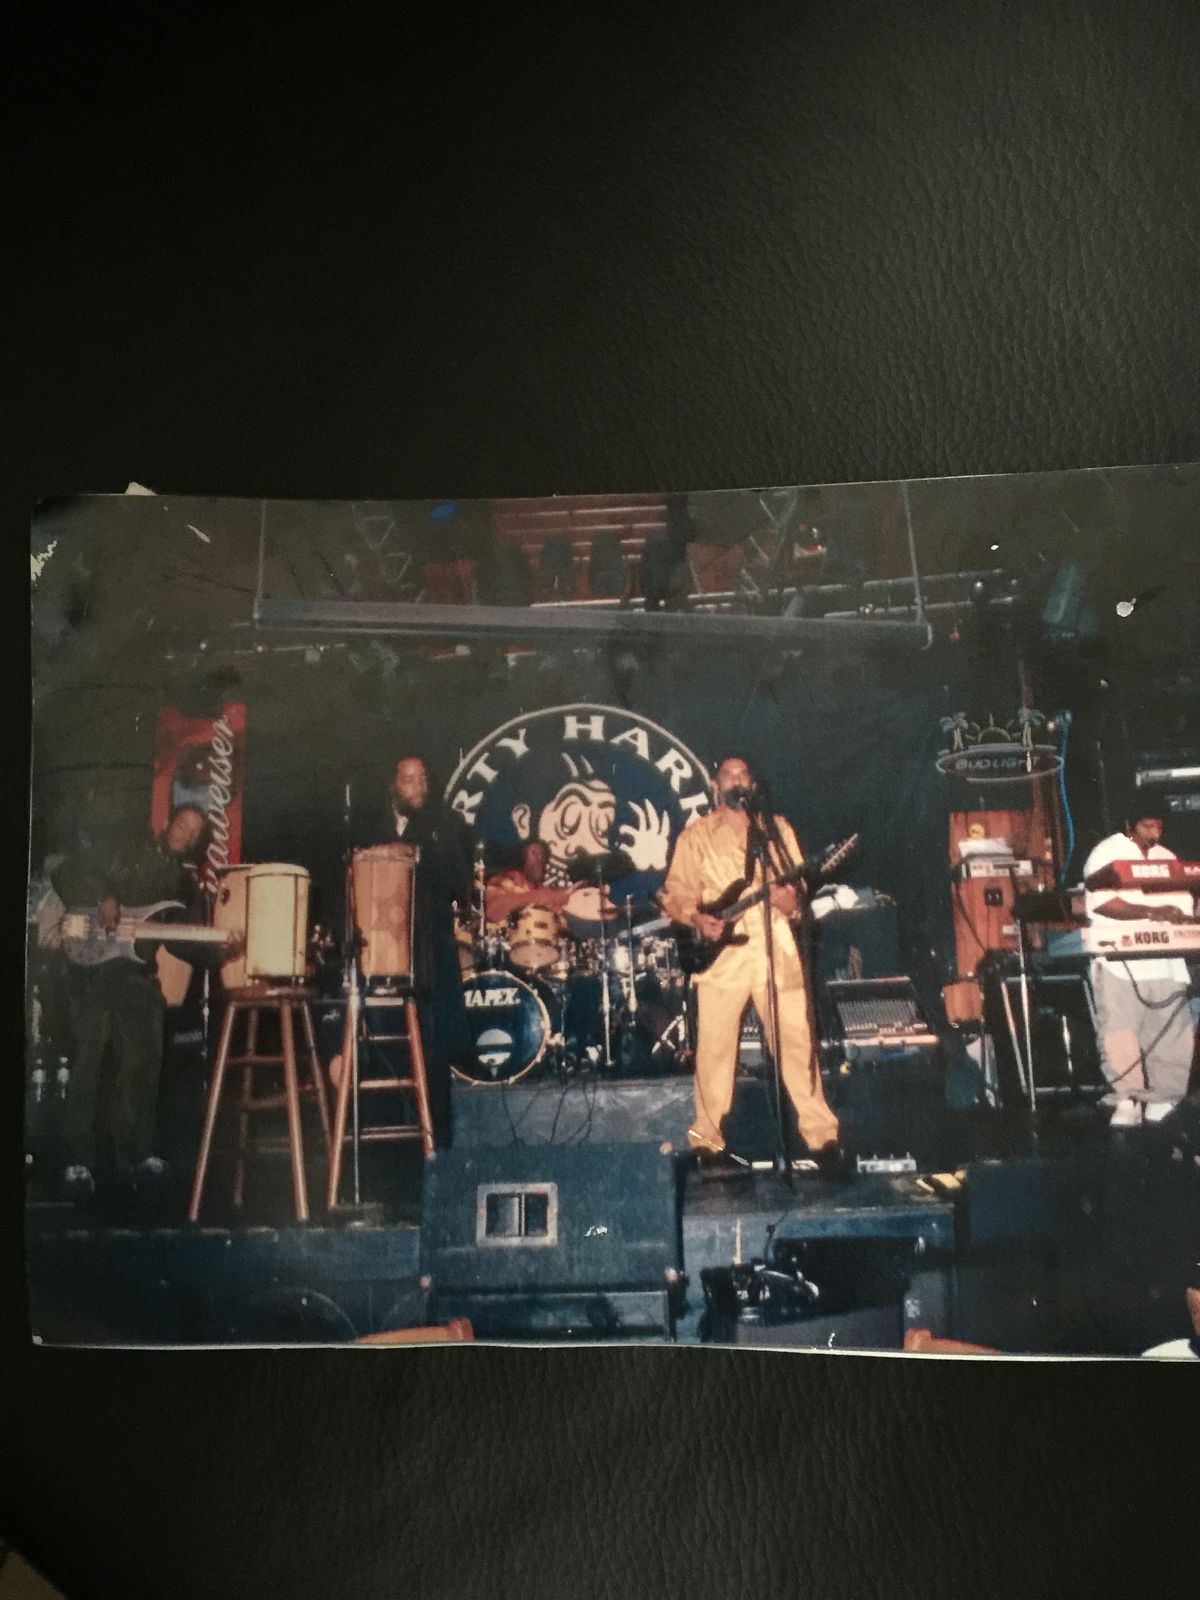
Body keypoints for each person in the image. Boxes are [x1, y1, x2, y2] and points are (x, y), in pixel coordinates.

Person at [660, 756, 842, 1170]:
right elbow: (675, 893)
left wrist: (791, 902)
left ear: (753, 784)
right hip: (722, 959)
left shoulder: (776, 830)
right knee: (714, 1051)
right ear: (715, 785)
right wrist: (697, 919)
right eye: (729, 775)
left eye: (743, 775)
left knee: (798, 1045)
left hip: (776, 950)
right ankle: (706, 1140)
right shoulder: (696, 836)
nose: (737, 781)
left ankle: (822, 1138)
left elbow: (797, 892)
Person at [49, 805, 234, 1202]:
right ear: (167, 823)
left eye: (194, 833)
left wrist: (223, 951)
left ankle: (136, 1156)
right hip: (91, 970)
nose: (186, 835)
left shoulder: (182, 884)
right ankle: (76, 1161)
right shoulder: (125, 847)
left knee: (144, 1063)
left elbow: (180, 941)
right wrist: (103, 896)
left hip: (136, 976)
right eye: (182, 825)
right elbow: (66, 871)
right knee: (87, 1063)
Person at [357, 757, 472, 1147]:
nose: (419, 787)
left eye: (423, 778)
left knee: (432, 1043)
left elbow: (458, 880)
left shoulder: (444, 823)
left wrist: (415, 855)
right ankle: (389, 1145)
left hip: (428, 951)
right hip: (382, 952)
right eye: (409, 780)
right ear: (394, 785)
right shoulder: (371, 825)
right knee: (383, 1041)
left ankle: (437, 1142)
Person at [1081, 803, 1199, 1127]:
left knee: (1174, 1034)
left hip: (1165, 960)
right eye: (1148, 827)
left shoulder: (1166, 857)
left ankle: (1165, 1100)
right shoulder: (1107, 852)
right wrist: (1149, 912)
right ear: (1130, 825)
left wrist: (1181, 916)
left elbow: (1182, 902)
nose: (1154, 833)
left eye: (1158, 827)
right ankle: (1127, 1100)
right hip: (1120, 962)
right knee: (1120, 1033)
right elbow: (1104, 902)